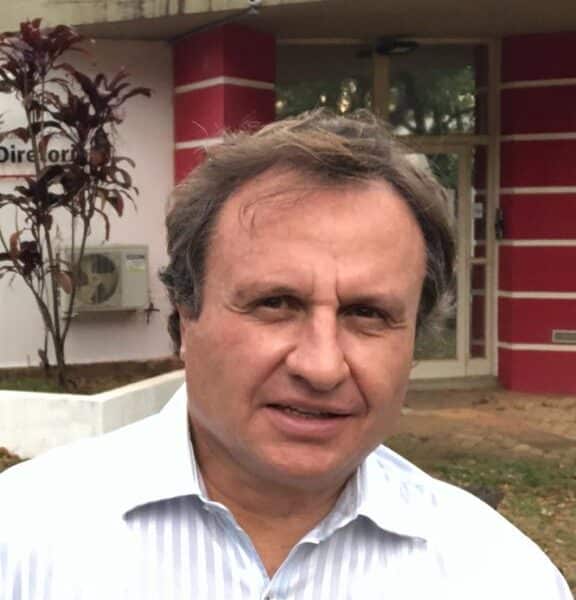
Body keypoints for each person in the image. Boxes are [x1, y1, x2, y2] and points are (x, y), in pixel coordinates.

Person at [0, 110, 572, 600]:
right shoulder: (22, 541)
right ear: (185, 316)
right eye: (276, 303)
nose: (321, 367)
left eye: (367, 313)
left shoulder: (500, 578)